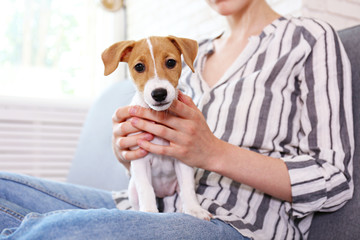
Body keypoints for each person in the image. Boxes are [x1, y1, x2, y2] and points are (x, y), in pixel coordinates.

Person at [0, 0, 354, 239]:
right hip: (139, 204)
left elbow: (335, 181)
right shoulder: (190, 54)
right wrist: (125, 150)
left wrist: (213, 152)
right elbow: (158, 153)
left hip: (234, 223)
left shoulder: (308, 39)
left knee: (56, 232)